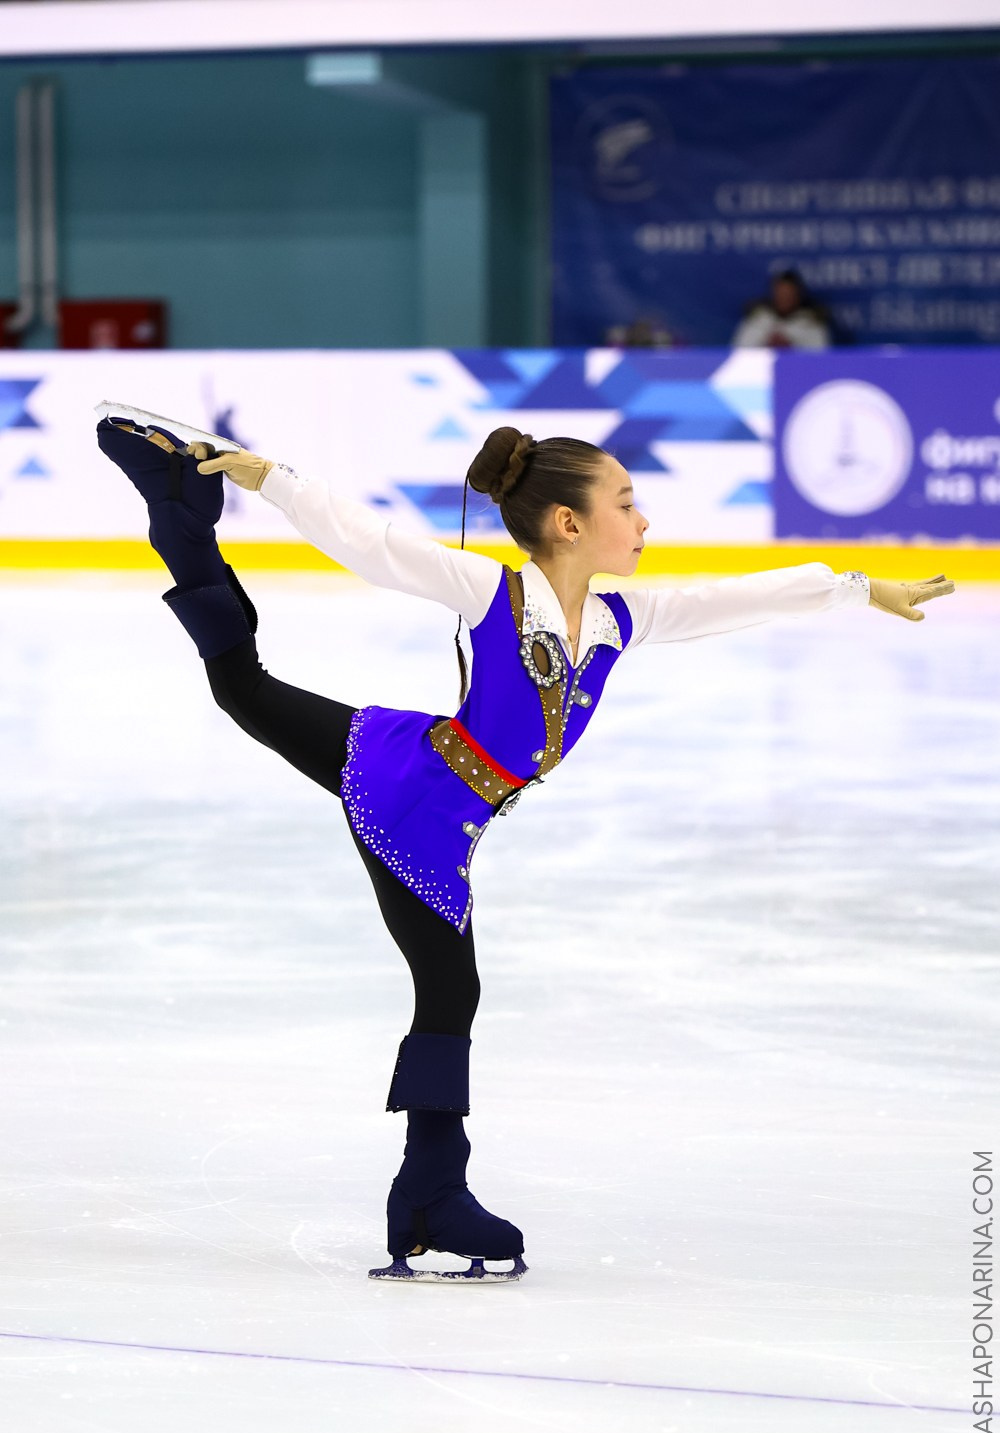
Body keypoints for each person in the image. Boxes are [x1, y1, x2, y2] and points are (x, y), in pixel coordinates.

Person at [95, 418, 955, 1284]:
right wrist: (273, 476)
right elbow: (371, 544)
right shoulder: (493, 593)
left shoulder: (622, 618)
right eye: (627, 503)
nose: (644, 521)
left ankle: (176, 511)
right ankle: (430, 1196)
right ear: (568, 524)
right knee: (447, 979)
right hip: (415, 801)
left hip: (432, 788)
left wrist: (856, 587)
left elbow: (734, 599)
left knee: (253, 696)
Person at [732, 268, 832, 350]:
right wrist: (766, 346)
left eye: (789, 295)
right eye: (781, 294)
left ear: (798, 295)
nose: (784, 299)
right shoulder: (758, 319)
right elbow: (738, 353)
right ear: (773, 294)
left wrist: (791, 348)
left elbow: (821, 358)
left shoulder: (811, 322)